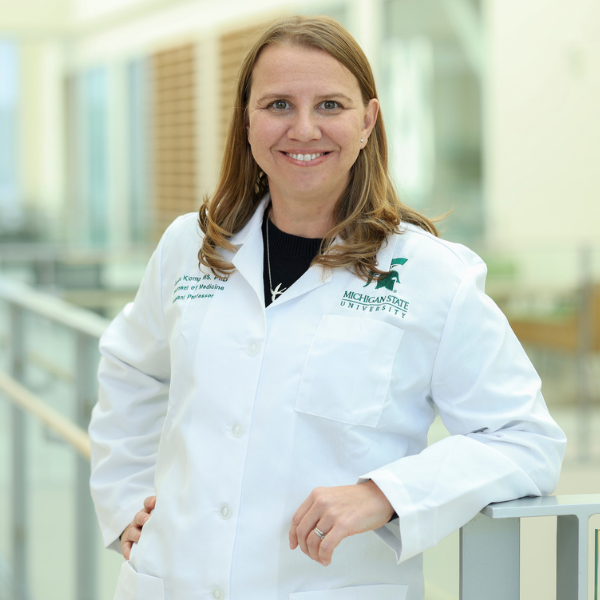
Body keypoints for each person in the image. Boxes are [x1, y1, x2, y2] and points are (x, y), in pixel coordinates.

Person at [89, 15, 566, 600]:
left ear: (368, 121)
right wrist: (123, 500)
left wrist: (387, 493)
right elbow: (131, 371)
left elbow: (525, 440)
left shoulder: (432, 276)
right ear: (247, 122)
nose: (305, 128)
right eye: (279, 105)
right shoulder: (190, 247)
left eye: (331, 106)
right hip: (172, 581)